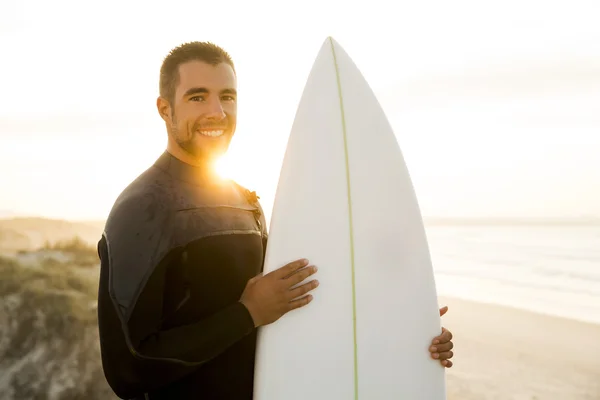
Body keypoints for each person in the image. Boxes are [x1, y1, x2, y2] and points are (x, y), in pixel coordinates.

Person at [96, 41, 455, 400]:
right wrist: (247, 313)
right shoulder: (143, 208)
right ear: (164, 108)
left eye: (228, 96)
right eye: (197, 97)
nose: (217, 111)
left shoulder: (243, 201)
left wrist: (406, 326)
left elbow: (292, 305)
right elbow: (129, 365)